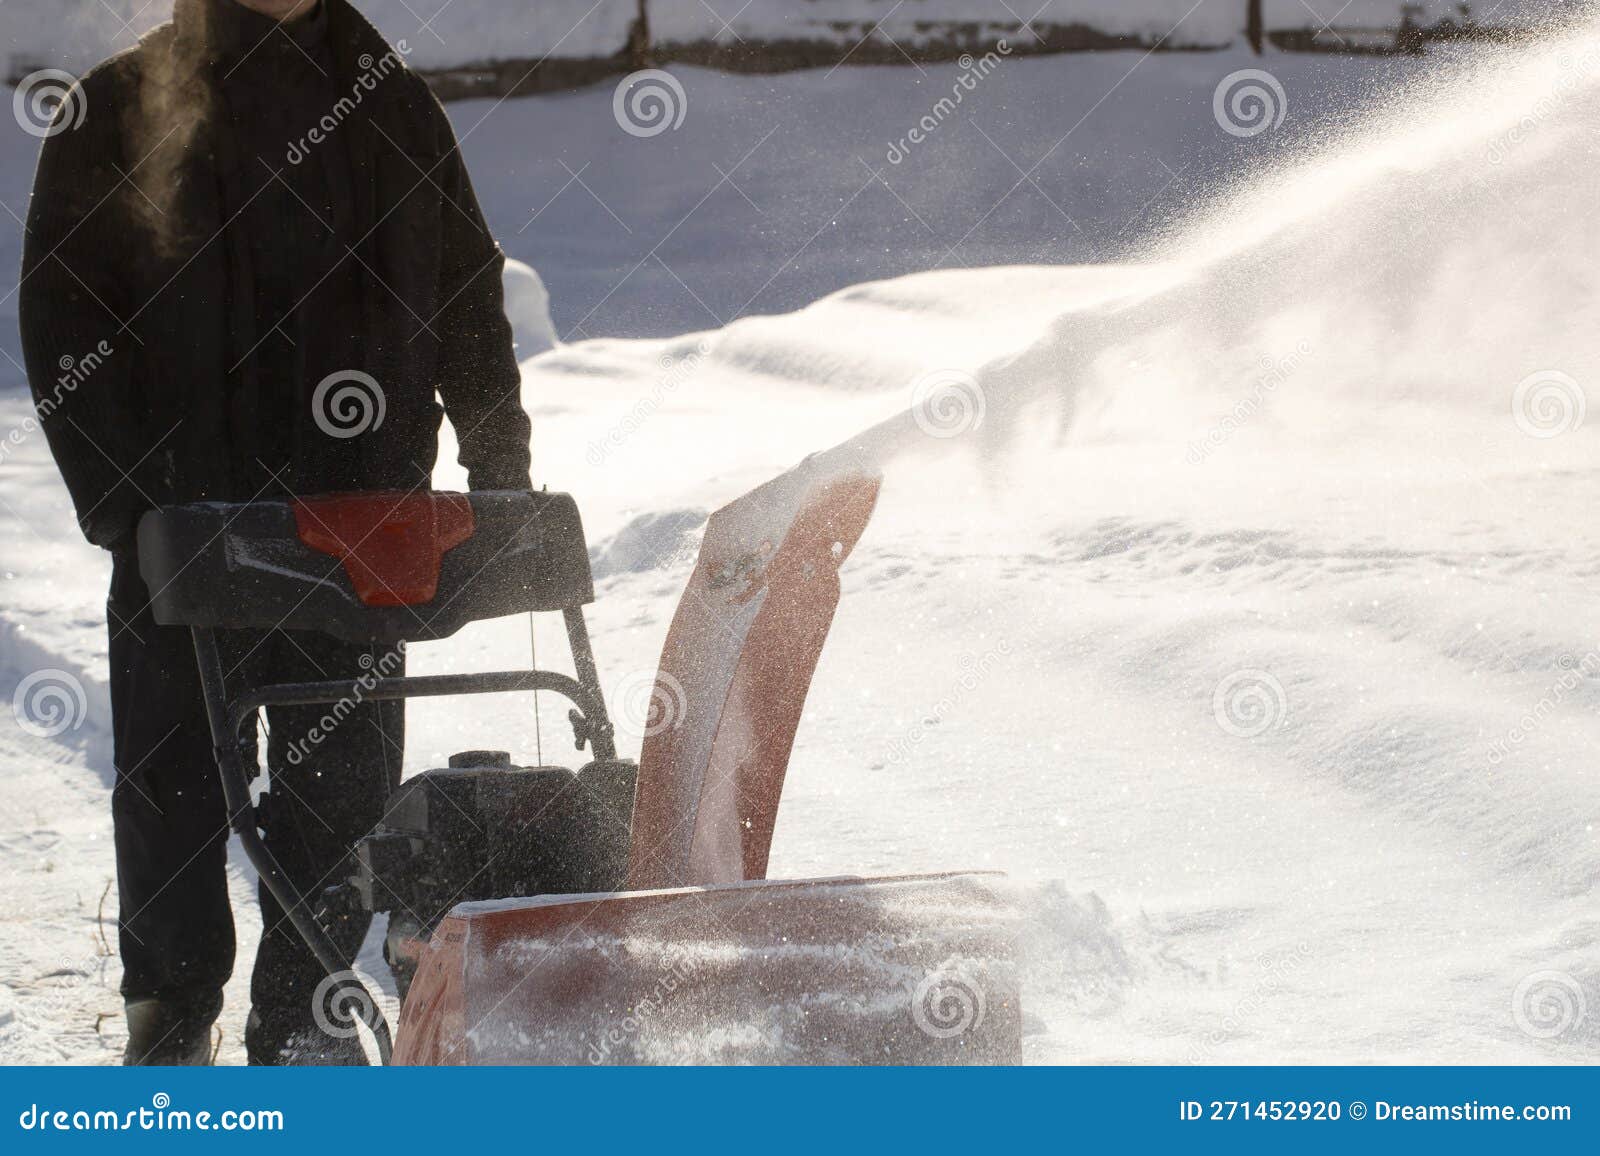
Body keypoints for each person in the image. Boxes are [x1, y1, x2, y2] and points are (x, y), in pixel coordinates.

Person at [18, 0, 533, 1064]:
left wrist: (500, 468)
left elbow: (467, 293)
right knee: (171, 784)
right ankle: (171, 1016)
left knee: (337, 791)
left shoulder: (390, 104)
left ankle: (307, 1022)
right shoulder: (117, 107)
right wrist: (128, 506)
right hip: (183, 526)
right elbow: (63, 312)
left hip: (362, 525)